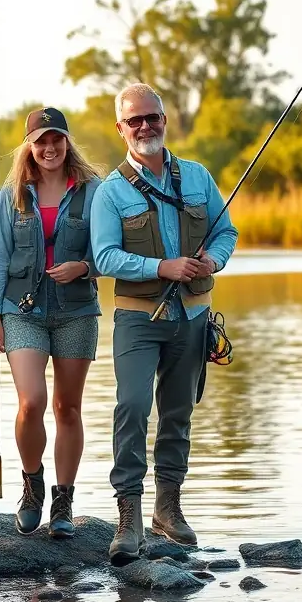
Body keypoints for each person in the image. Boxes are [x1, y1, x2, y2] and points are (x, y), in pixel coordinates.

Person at [90, 82, 239, 564]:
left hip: (193, 317)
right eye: (135, 120)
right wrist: (162, 267)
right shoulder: (110, 191)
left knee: (177, 414)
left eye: (152, 117)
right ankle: (128, 517)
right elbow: (105, 256)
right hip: (138, 319)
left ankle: (168, 509)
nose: (145, 126)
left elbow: (226, 231)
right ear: (121, 129)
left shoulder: (197, 176)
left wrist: (212, 262)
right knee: (131, 408)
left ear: (164, 119)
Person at [0, 107, 104, 539]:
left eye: (56, 139)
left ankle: (63, 501)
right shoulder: (11, 194)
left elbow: (108, 254)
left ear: (67, 142)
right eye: (41, 141)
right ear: (29, 147)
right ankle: (32, 484)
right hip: (22, 311)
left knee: (67, 408)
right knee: (31, 401)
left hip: (77, 312)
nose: (49, 148)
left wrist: (84, 268)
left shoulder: (94, 191)